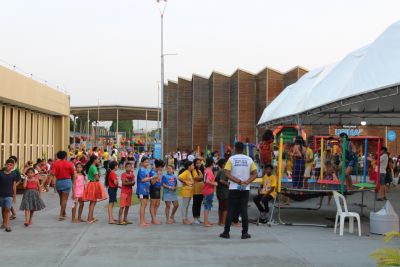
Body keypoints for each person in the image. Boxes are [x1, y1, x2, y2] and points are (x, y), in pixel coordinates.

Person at [220, 142, 257, 240]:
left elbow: (227, 173)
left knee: (230, 210)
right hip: (245, 188)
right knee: (244, 210)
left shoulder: (231, 159)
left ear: (235, 149)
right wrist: (246, 182)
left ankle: (226, 232)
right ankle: (245, 233)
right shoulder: (249, 160)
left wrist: (238, 181)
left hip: (233, 188)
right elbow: (255, 173)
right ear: (243, 149)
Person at [51, 151, 75, 221]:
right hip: (67, 181)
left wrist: (54, 183)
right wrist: (73, 183)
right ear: (65, 156)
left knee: (61, 198)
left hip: (59, 182)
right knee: (64, 199)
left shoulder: (55, 164)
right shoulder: (69, 164)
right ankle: (61, 214)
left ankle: (63, 212)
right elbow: (73, 174)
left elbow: (53, 174)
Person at [84, 155, 107, 224]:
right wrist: (98, 172)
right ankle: (89, 218)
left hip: (92, 184)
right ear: (94, 160)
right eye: (97, 159)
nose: (98, 160)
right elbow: (97, 178)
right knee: (93, 202)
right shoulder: (93, 167)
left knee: (93, 202)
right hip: (93, 184)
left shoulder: (92, 167)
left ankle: (91, 217)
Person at [0, 159, 20, 232]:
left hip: (9, 194)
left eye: (10, 165)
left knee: (8, 209)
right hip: (1, 194)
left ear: (13, 166)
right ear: (5, 165)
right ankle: (4, 222)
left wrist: (14, 195)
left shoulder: (13, 174)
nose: (9, 166)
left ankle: (8, 225)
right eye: (7, 164)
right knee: (3, 209)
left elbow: (14, 186)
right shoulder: (1, 173)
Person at [203, 158, 218, 227]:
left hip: (208, 190)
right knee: (207, 206)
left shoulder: (206, 170)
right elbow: (207, 181)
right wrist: (214, 183)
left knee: (208, 206)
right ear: (212, 163)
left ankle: (206, 220)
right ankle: (206, 222)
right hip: (208, 191)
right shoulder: (209, 171)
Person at [178, 161, 194, 225]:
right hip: (186, 191)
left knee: (187, 206)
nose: (193, 166)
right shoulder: (186, 172)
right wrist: (185, 182)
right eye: (192, 165)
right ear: (189, 166)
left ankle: (186, 218)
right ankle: (184, 219)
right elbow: (179, 177)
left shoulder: (189, 172)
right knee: (185, 206)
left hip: (189, 191)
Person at [137, 157, 151, 227]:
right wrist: (151, 178)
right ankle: (141, 221)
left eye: (148, 162)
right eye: (145, 162)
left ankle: (143, 220)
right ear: (142, 163)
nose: (147, 163)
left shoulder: (146, 170)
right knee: (143, 205)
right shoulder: (141, 170)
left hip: (146, 189)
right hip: (141, 190)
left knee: (145, 205)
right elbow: (142, 180)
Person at [149, 159, 164, 225]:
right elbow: (152, 182)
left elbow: (160, 181)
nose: (162, 168)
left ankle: (154, 219)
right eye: (162, 167)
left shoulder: (158, 171)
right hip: (153, 189)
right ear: (159, 166)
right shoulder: (152, 172)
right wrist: (157, 177)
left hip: (158, 189)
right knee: (153, 204)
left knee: (157, 204)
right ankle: (154, 219)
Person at [215, 159, 229, 226]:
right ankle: (223, 222)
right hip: (224, 192)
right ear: (223, 164)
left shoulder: (219, 171)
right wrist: (228, 184)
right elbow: (221, 180)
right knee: (225, 208)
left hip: (219, 191)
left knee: (221, 207)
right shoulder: (223, 171)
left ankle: (220, 221)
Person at [192, 158, 204, 224]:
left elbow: (202, 178)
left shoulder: (201, 169)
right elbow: (196, 178)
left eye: (199, 163)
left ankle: (198, 217)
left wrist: (201, 177)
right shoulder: (194, 170)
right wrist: (203, 177)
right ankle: (195, 218)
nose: (198, 164)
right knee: (195, 204)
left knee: (199, 204)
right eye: (197, 163)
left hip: (201, 190)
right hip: (196, 190)